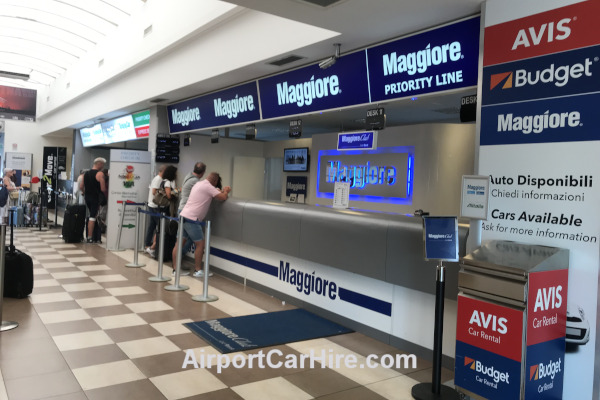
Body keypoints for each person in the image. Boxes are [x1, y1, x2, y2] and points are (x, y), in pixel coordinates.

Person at [172, 172, 231, 277]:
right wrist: (226, 191)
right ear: (215, 181)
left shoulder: (199, 184)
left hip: (184, 215)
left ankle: (175, 270)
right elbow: (223, 197)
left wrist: (218, 191)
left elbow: (213, 192)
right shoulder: (208, 187)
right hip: (192, 219)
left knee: (179, 243)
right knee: (200, 244)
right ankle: (198, 270)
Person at [177, 162, 206, 257]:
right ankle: (196, 269)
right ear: (202, 173)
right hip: (188, 212)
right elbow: (206, 191)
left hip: (182, 210)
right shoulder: (196, 182)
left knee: (182, 240)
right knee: (199, 241)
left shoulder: (188, 176)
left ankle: (177, 265)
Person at [81, 157, 107, 243]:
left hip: (87, 197)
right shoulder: (100, 174)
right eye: (102, 165)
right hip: (95, 198)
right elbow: (103, 189)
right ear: (99, 164)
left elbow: (81, 186)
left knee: (93, 216)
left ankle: (94, 236)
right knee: (92, 217)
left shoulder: (86, 174)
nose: (103, 167)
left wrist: (85, 192)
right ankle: (90, 237)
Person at [145, 164, 166, 256]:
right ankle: (152, 247)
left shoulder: (156, 178)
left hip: (152, 205)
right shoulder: (159, 179)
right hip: (155, 206)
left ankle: (147, 245)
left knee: (152, 226)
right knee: (160, 227)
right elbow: (154, 192)